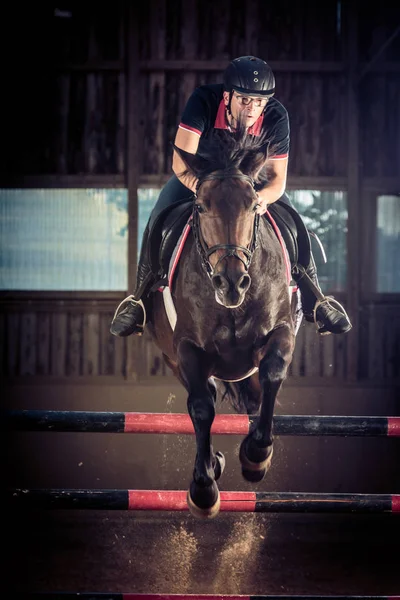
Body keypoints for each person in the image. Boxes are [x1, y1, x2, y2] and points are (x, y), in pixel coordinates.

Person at [110, 55, 352, 338]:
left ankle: (316, 300)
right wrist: (202, 191)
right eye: (244, 100)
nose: (252, 109)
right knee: (159, 218)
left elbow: (277, 180)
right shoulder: (203, 102)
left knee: (294, 223)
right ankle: (139, 300)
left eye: (259, 102)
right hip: (199, 178)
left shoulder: (276, 116)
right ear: (227, 96)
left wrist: (261, 199)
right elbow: (180, 163)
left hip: (251, 184)